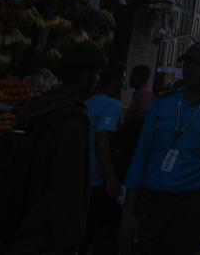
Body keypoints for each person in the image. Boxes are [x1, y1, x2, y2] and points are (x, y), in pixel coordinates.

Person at [119, 42, 200, 255]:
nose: (190, 69)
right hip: (153, 198)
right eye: (187, 63)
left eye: (197, 64)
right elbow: (141, 155)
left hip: (192, 203)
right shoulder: (162, 102)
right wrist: (129, 211)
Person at [4, 44, 104, 254]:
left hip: (16, 211)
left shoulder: (37, 106)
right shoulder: (73, 118)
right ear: (87, 77)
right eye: (97, 74)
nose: (97, 80)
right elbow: (68, 183)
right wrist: (69, 237)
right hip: (44, 226)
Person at [82, 61, 126, 254]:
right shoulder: (112, 105)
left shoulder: (86, 102)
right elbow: (102, 140)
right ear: (115, 83)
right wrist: (110, 177)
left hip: (79, 173)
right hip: (96, 177)